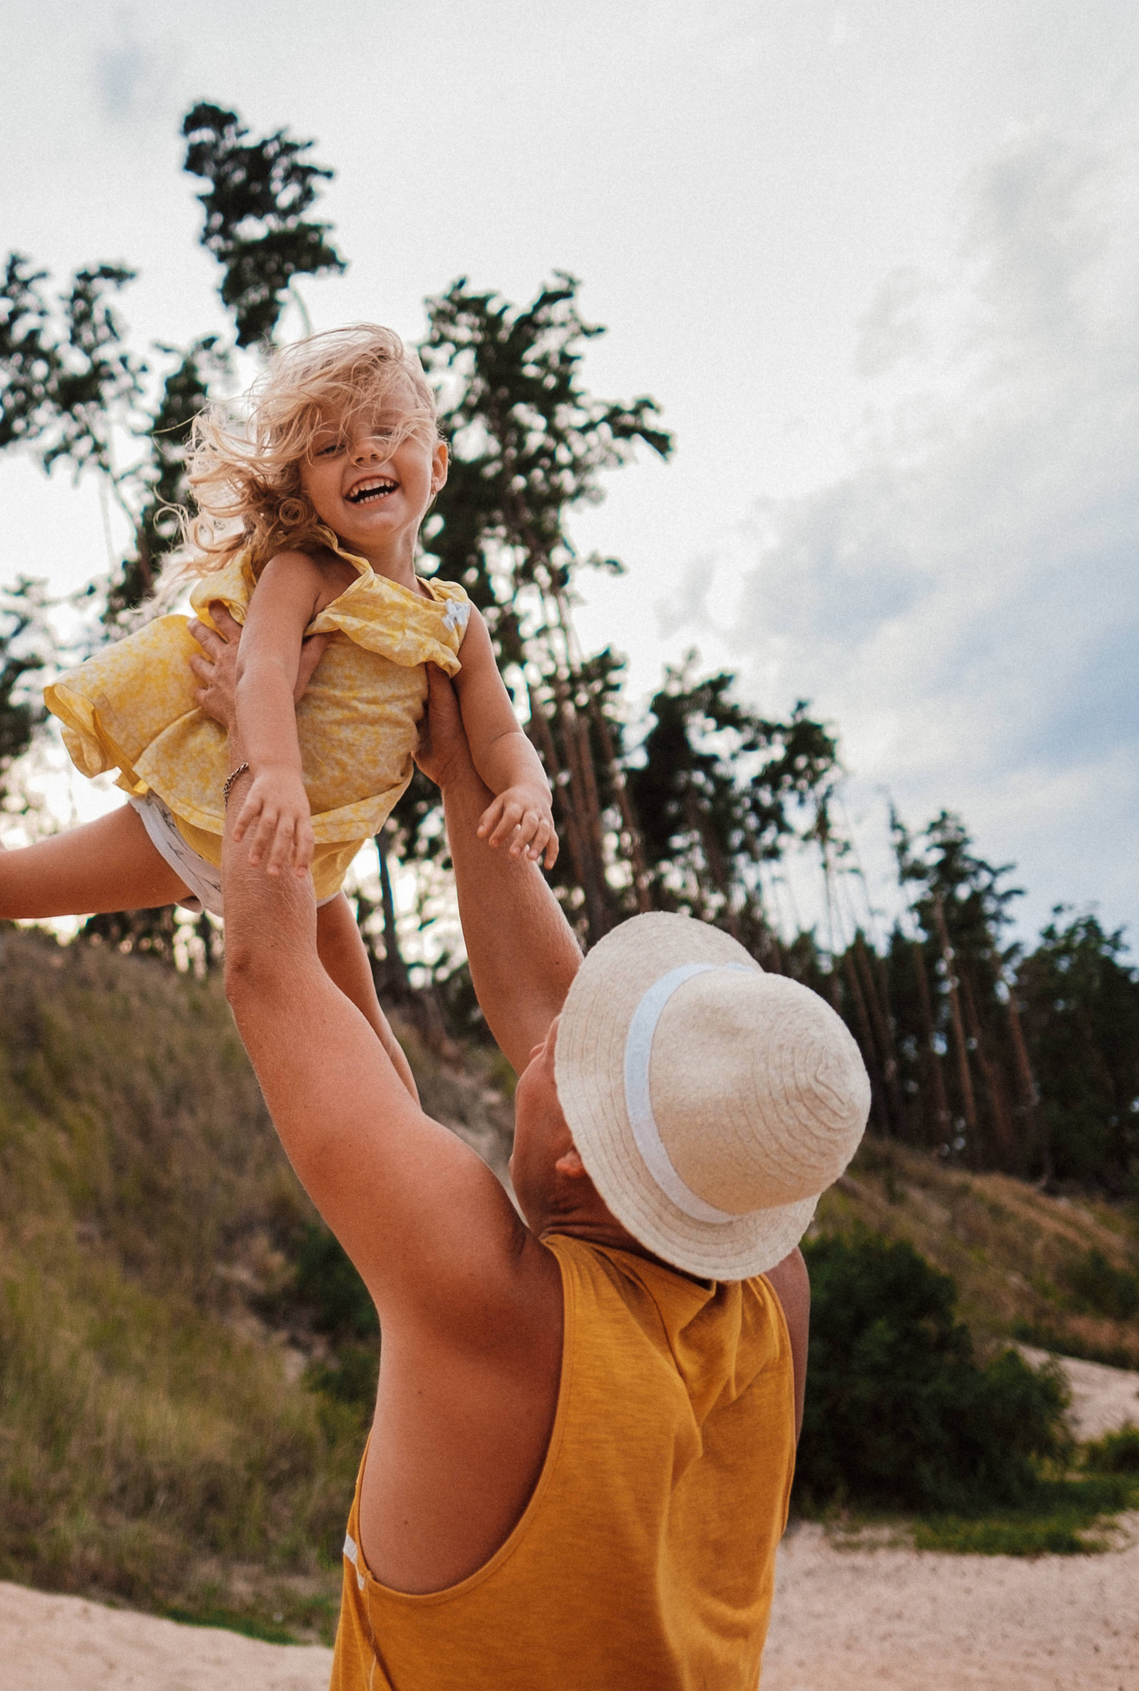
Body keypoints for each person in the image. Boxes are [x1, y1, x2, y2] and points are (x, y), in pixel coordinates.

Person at [190, 623, 869, 1689]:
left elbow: (264, 972)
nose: (554, 1031)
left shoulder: (498, 1308)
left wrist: (259, 742)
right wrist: (464, 767)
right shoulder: (770, 1296)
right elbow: (542, 1008)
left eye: (569, 1056)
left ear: (583, 1168)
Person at [0, 325, 555, 1096]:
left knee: (384, 1062)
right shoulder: (305, 573)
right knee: (0, 886)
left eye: (387, 432)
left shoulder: (454, 620)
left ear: (439, 462)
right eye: (330, 447)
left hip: (305, 863)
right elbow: (257, 672)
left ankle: (413, 1202)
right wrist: (276, 776)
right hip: (206, 821)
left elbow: (497, 732)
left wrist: (529, 789)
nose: (362, 454)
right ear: (305, 485)